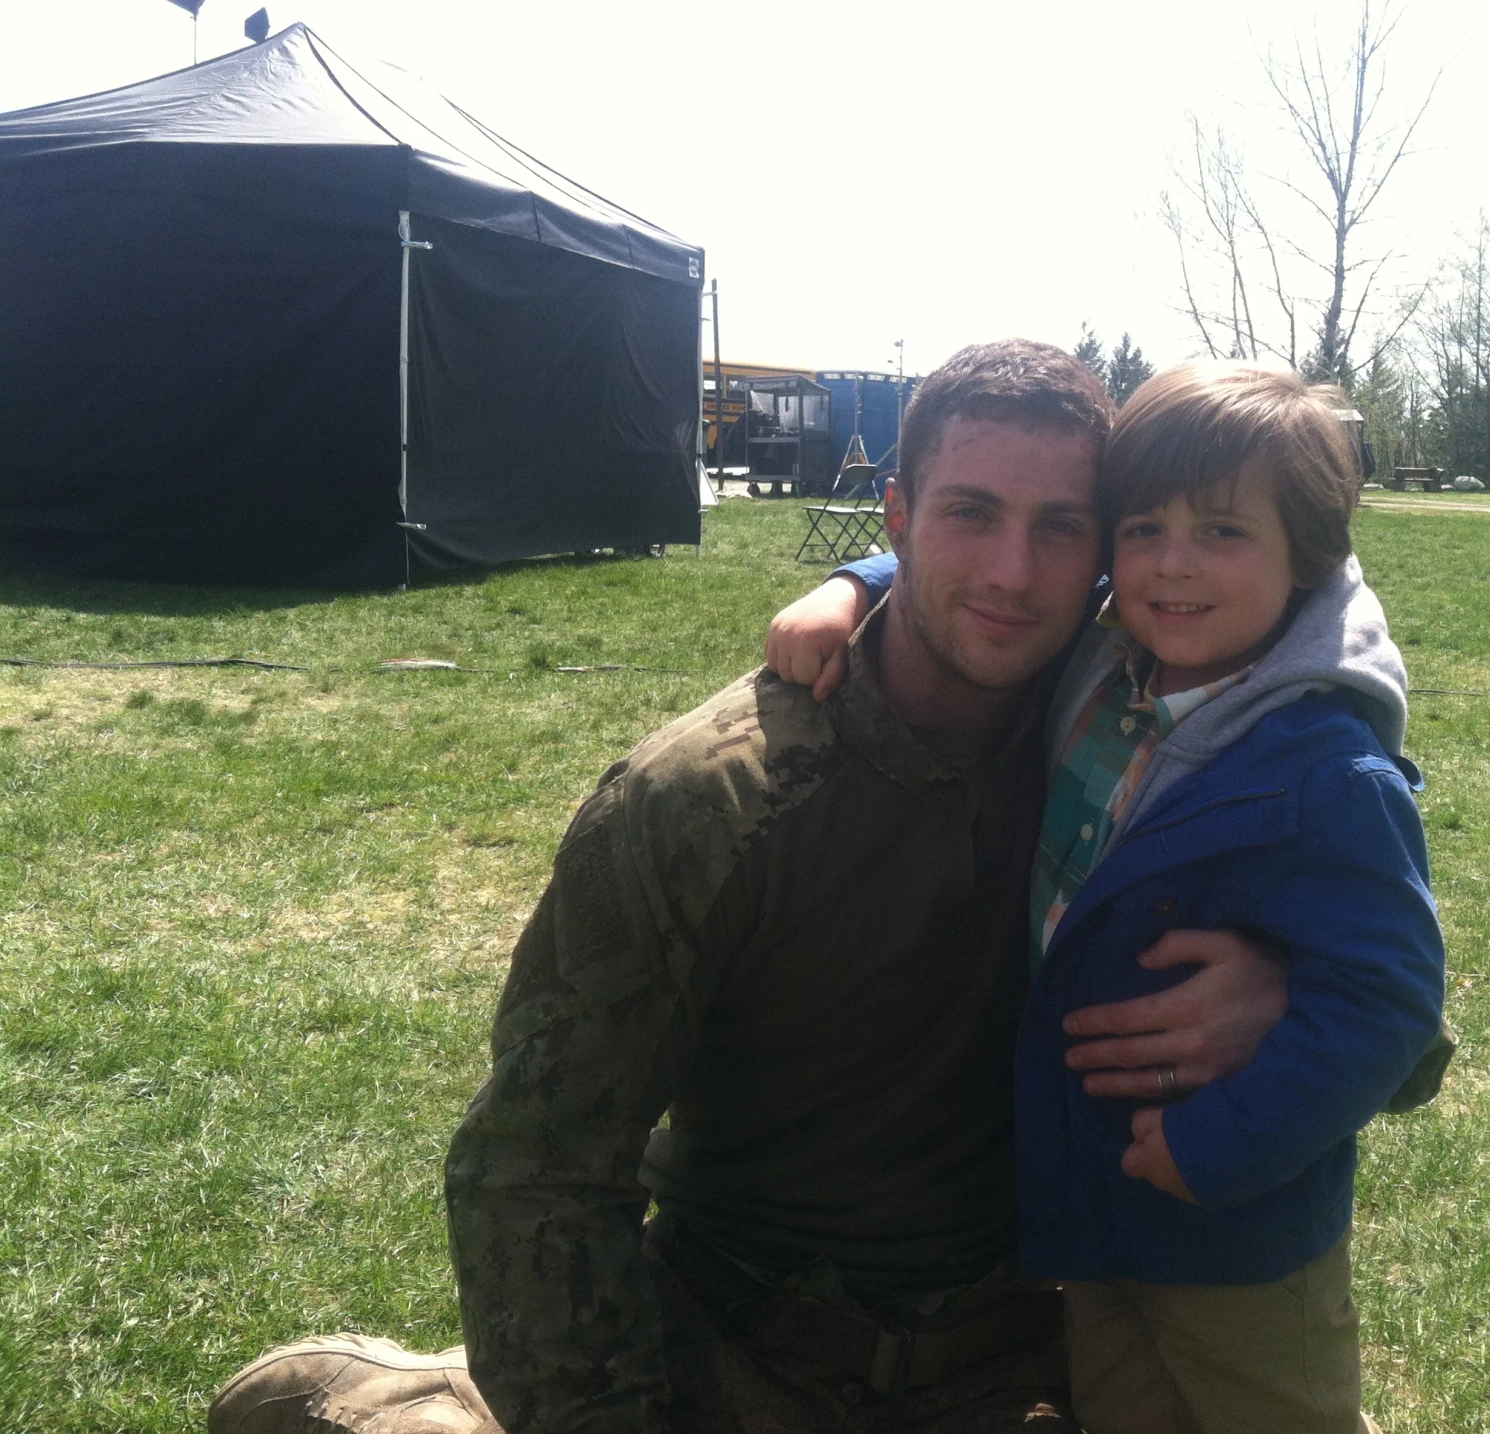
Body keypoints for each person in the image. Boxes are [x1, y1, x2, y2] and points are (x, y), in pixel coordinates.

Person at [207, 340, 1292, 1434]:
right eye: (972, 513)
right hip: (733, 1359)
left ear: (1104, 551)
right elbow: (537, 1174)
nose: (1015, 571)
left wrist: (1278, 988)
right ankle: (410, 1399)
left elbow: (1366, 923)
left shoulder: (1135, 752)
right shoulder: (709, 800)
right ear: (898, 516)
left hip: (1021, 1355)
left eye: (1059, 526)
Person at [771, 363, 1448, 1433]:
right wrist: (853, 584)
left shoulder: (1325, 769)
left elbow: (1389, 1002)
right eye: (1142, 529)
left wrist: (1217, 1149)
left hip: (1239, 1232)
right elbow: (986, 570)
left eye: (1223, 533)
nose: (1172, 566)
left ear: (1308, 559)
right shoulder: (1107, 659)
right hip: (1091, 1204)